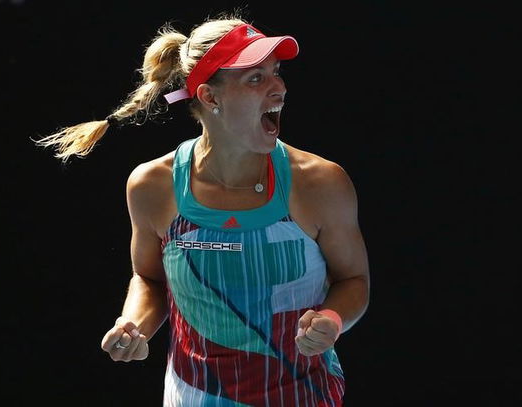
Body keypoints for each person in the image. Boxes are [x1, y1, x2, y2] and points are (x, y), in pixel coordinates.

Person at [34, 11, 370, 407]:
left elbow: (354, 281)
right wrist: (133, 325)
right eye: (256, 78)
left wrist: (331, 320)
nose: (279, 89)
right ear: (210, 97)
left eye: (277, 72)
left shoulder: (321, 183)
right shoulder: (152, 186)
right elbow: (149, 278)